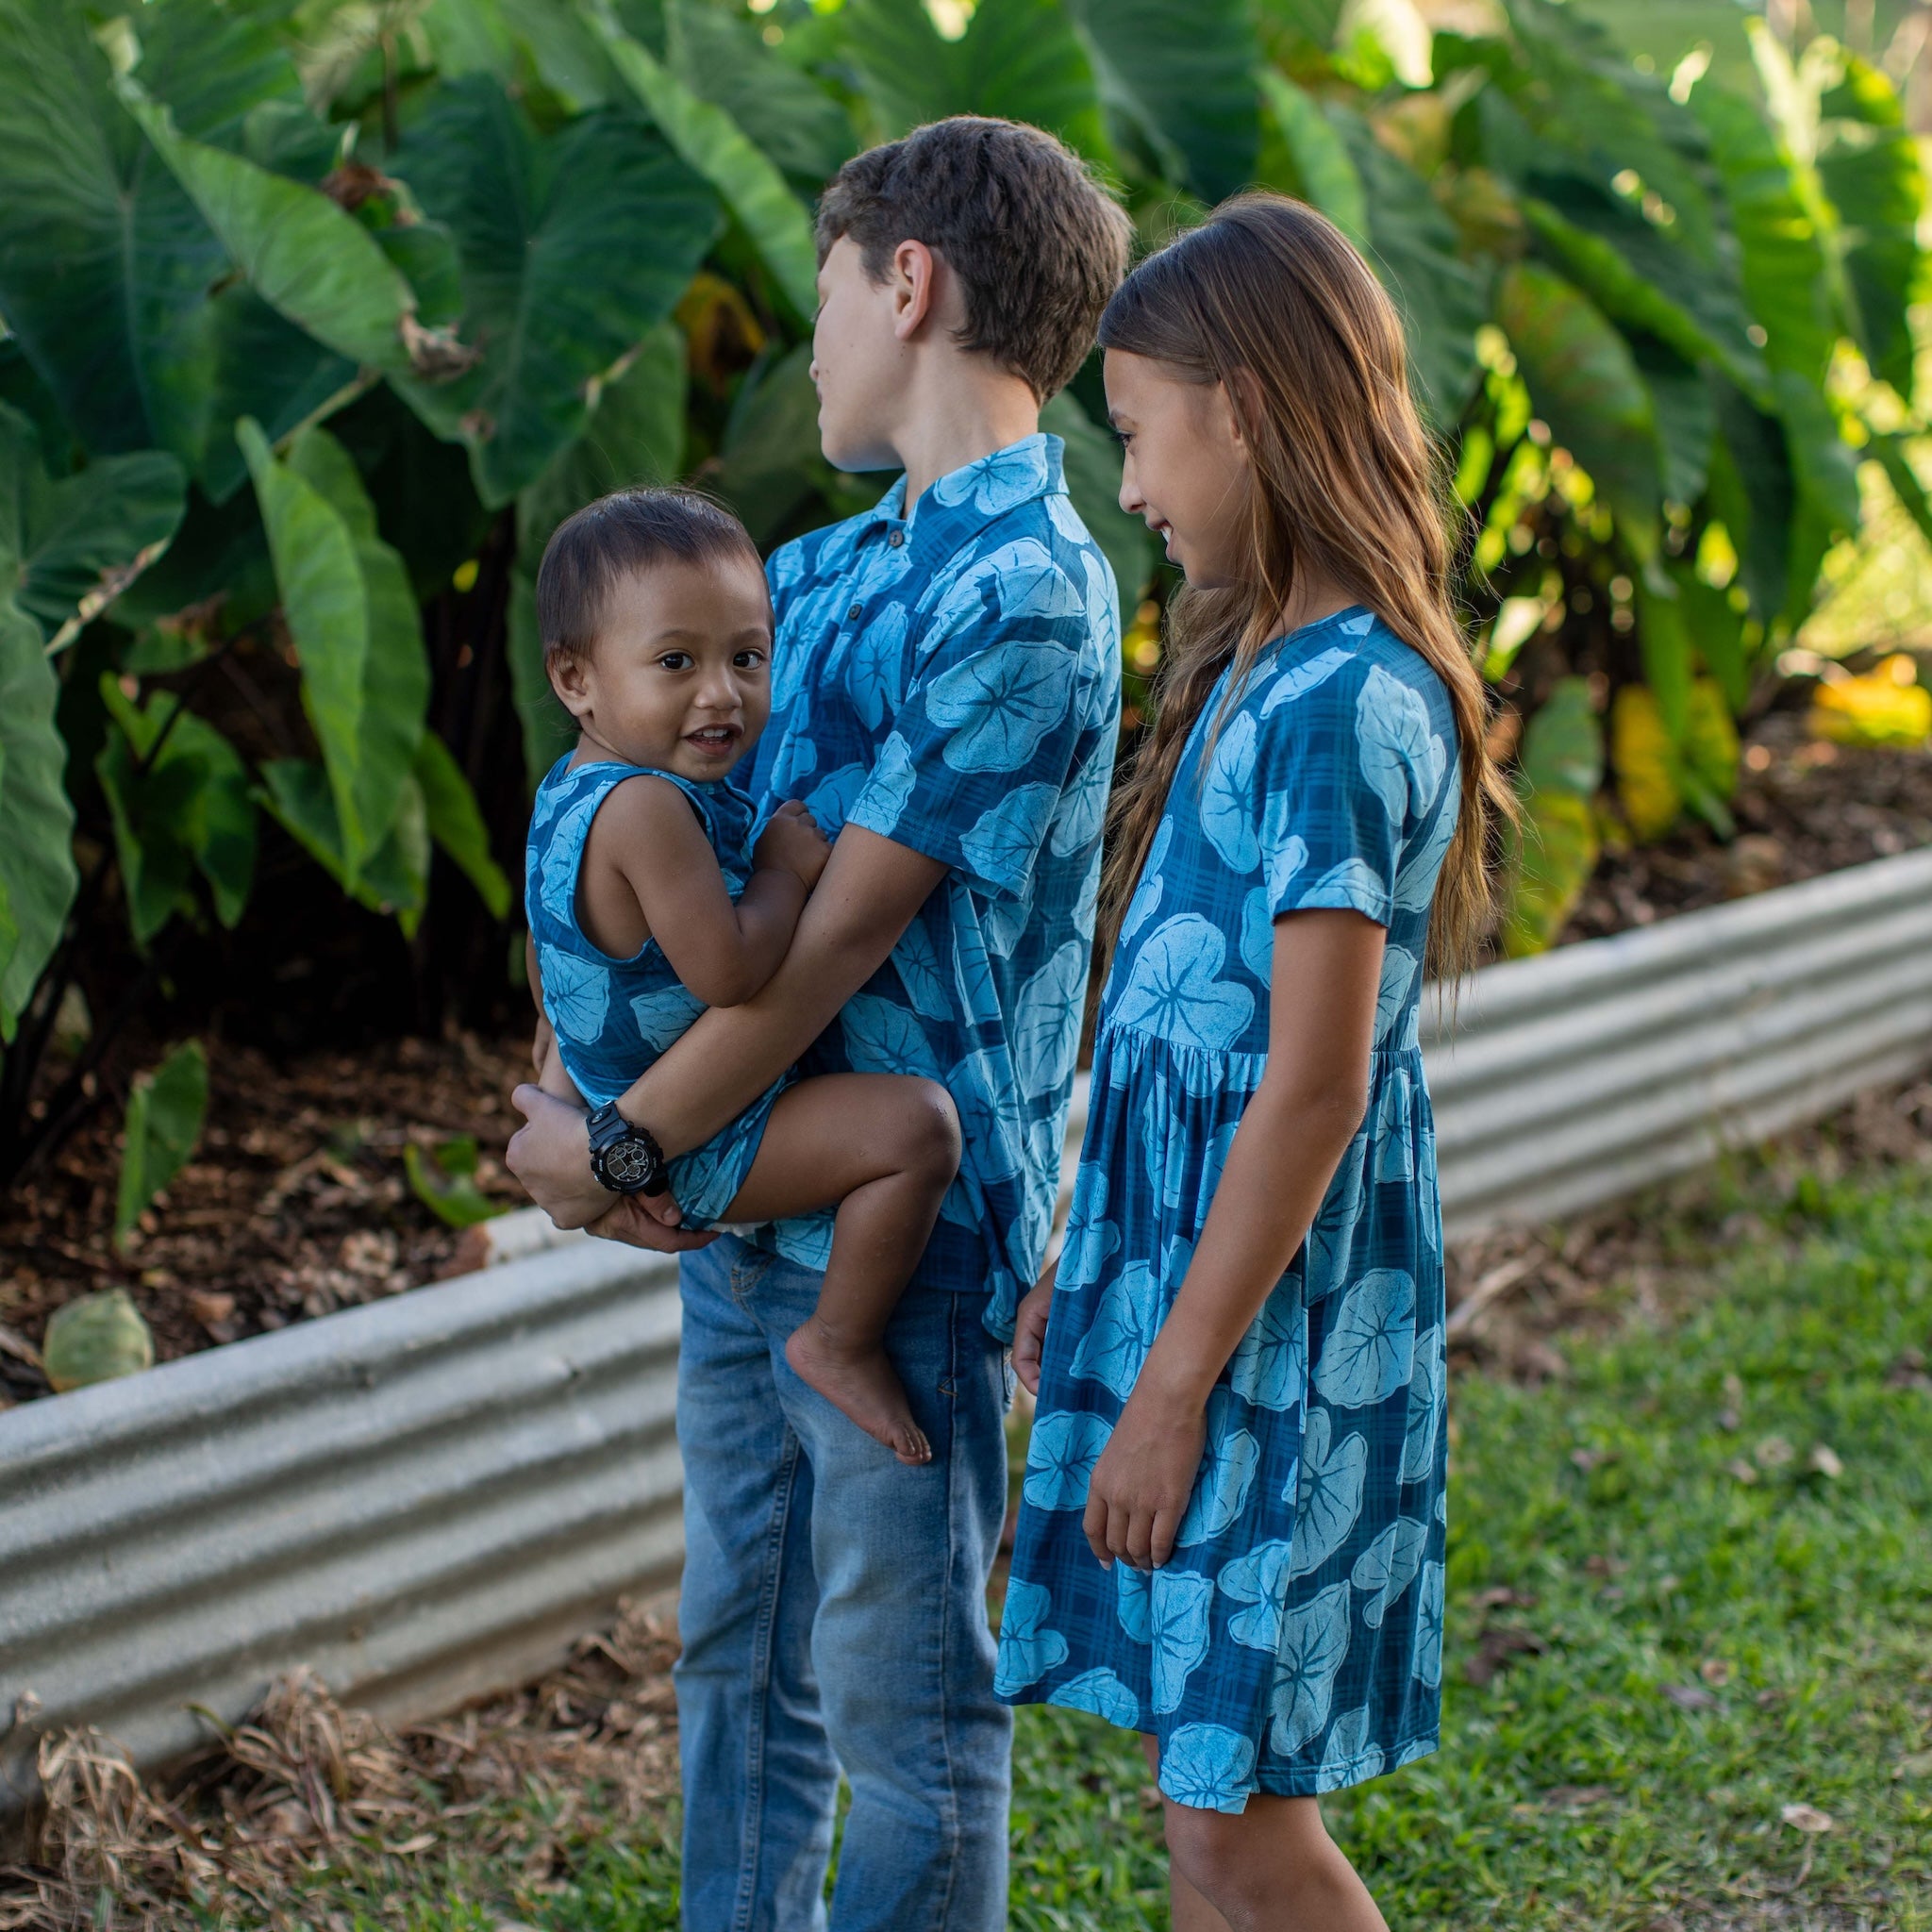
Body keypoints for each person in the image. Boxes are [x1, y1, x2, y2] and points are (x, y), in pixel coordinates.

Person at [507, 118, 1133, 1931]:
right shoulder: (829, 568)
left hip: (896, 1234)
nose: (810, 346)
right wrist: (579, 1075)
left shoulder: (1023, 591)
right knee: (733, 1664)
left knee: (899, 1705)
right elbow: (663, 857)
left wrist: (617, 1154)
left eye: (823, 298)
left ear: (908, 282)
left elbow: (825, 947)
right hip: (746, 1204)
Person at [996, 192, 1513, 1932]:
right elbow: (1173, 1040)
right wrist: (1094, 1270)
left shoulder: (1342, 705)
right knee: (1197, 1798)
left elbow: (1308, 1082)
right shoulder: (1256, 665)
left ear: (1246, 404)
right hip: (1207, 1296)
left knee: (1234, 1823)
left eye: (1137, 435)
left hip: (1270, 1341)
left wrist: (1167, 1385)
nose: (1128, 489)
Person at [525, 486, 962, 1466]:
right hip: (704, 1134)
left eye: (746, 658)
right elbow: (729, 970)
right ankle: (840, 1338)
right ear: (575, 677)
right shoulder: (646, 808)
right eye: (675, 661)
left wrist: (560, 1086)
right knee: (916, 1131)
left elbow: (545, 951)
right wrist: (779, 869)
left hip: (630, 1106)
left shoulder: (571, 791)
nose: (719, 692)